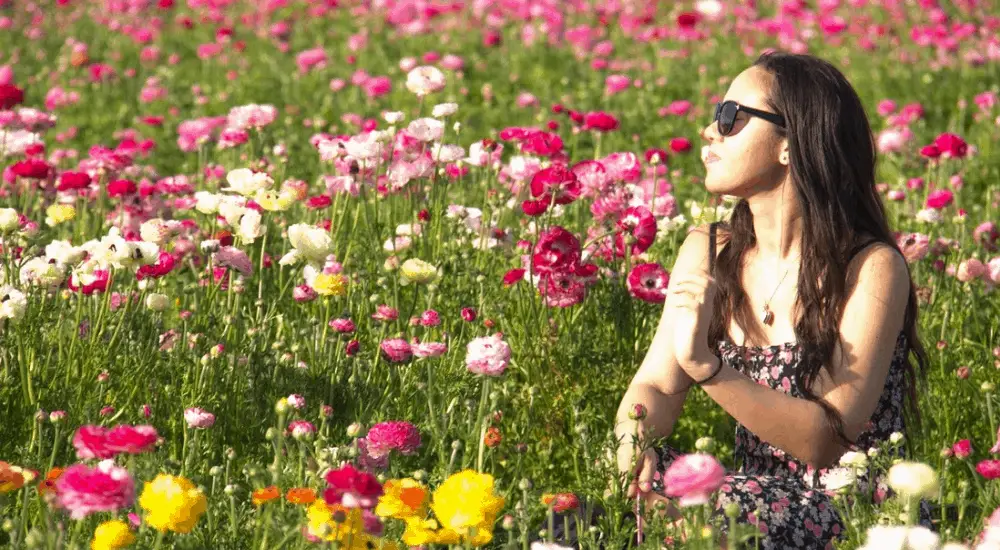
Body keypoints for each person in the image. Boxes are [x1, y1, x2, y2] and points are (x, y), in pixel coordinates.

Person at [612, 51, 931, 549]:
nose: (709, 131)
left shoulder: (870, 268)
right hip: (748, 496)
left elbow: (826, 439)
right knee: (635, 497)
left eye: (730, 116)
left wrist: (707, 366)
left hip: (850, 506)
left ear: (790, 144)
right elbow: (654, 385)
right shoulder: (709, 249)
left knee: (700, 516)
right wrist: (636, 452)